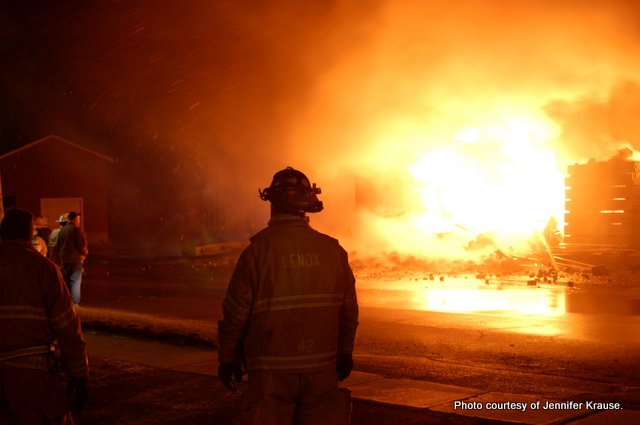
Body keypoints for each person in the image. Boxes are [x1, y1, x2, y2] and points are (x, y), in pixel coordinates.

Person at [218, 166, 359, 425]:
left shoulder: (257, 253)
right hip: (321, 369)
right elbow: (349, 312)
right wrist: (344, 354)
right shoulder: (332, 251)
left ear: (271, 202)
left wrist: (227, 358)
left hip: (271, 373)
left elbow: (235, 315)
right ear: (307, 204)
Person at [0, 208, 89, 424]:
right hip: (33, 379)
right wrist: (79, 374)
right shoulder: (43, 269)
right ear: (30, 233)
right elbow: (67, 325)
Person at [56, 211, 88, 305]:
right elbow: (80, 245)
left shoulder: (62, 230)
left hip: (65, 259)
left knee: (65, 281)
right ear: (74, 219)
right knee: (75, 281)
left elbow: (59, 245)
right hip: (75, 259)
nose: (79, 220)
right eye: (78, 219)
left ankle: (66, 301)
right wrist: (84, 253)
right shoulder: (76, 230)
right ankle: (75, 302)